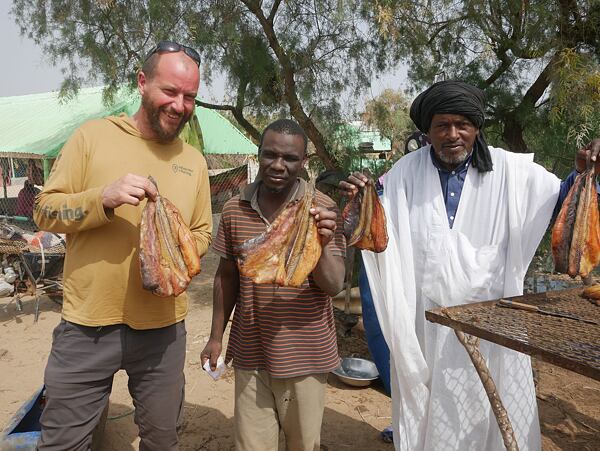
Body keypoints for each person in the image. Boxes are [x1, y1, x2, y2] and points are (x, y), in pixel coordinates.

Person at [340, 80, 600, 451]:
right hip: (427, 320)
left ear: (477, 126)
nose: (452, 135)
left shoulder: (511, 171)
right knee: (432, 409)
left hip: (495, 323)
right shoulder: (404, 173)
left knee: (494, 407)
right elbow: (374, 226)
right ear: (427, 132)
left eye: (462, 124)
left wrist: (583, 175)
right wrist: (360, 196)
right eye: (441, 126)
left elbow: (560, 203)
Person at [33, 41, 212, 450]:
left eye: (189, 97)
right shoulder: (92, 137)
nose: (179, 105)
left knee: (162, 441)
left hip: (163, 330)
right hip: (86, 326)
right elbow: (45, 210)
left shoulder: (195, 161)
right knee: (62, 442)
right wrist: (102, 199)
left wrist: (174, 247)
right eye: (170, 91)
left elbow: (203, 233)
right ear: (143, 82)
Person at [201, 119, 346, 451]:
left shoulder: (322, 209)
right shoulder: (235, 209)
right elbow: (226, 276)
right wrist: (214, 336)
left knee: (303, 445)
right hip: (251, 351)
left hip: (306, 356)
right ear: (259, 154)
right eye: (270, 155)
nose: (278, 165)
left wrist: (321, 245)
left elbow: (334, 284)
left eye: (290, 158)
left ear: (304, 162)